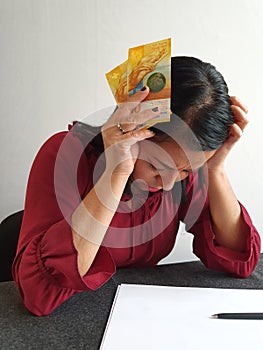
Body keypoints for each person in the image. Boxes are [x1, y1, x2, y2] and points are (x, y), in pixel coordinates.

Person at [12, 56, 261, 316]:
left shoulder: (186, 171)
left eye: (186, 169)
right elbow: (37, 294)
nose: (167, 183)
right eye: (157, 166)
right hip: (74, 318)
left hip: (142, 314)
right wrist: (115, 173)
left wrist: (214, 168)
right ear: (134, 128)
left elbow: (239, 261)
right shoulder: (65, 155)